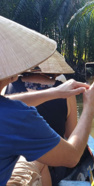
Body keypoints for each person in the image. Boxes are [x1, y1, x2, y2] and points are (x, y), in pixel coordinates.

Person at [0, 15, 94, 186]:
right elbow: (72, 155)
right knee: (41, 161)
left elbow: (5, 101)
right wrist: (90, 107)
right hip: (55, 159)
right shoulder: (17, 116)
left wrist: (54, 93)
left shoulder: (9, 102)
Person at [4, 51, 80, 185]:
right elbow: (71, 134)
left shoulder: (7, 89)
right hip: (54, 164)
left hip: (10, 162)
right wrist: (90, 106)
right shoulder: (67, 92)